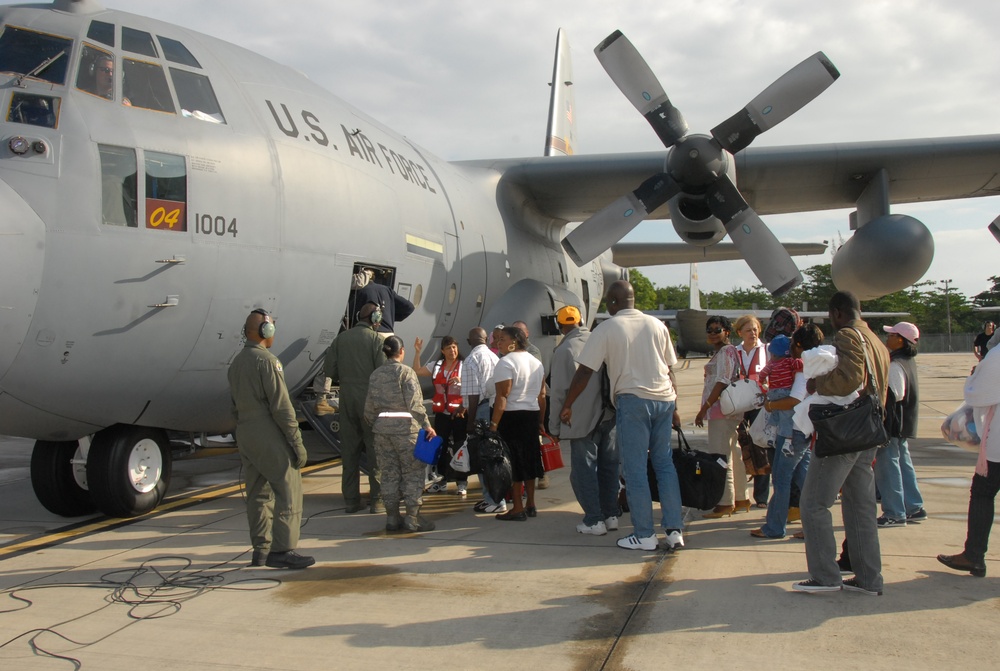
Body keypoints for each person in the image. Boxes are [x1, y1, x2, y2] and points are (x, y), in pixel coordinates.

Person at [560, 280, 685, 552]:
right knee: (664, 465)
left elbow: (585, 371)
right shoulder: (657, 325)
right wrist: (675, 408)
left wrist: (568, 403)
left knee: (635, 469)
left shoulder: (607, 328)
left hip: (633, 400)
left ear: (612, 302)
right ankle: (674, 531)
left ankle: (644, 535)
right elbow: (669, 368)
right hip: (664, 399)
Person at [793, 291, 890, 597]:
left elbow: (849, 379)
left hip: (844, 433)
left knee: (813, 504)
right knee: (860, 507)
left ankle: (825, 576)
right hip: (868, 432)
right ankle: (868, 579)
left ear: (837, 312)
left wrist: (816, 383)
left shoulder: (848, 335)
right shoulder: (875, 340)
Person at [227, 309, 315, 569]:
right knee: (288, 490)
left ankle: (261, 550)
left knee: (257, 494)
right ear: (266, 331)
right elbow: (282, 407)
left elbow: (233, 405)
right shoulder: (268, 361)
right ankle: (283, 549)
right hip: (267, 432)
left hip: (246, 432)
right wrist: (297, 442)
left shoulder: (236, 363)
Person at [548, 305, 620, 535]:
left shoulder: (564, 350)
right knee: (608, 468)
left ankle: (593, 520)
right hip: (608, 415)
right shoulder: (601, 340)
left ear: (560, 325)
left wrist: (554, 427)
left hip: (579, 419)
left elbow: (559, 392)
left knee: (583, 471)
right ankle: (610, 515)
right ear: (580, 321)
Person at [751, 324, 823, 539]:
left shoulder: (802, 370)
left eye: (792, 343)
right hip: (803, 430)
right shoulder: (814, 364)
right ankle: (814, 525)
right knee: (805, 479)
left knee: (782, 479)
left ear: (799, 345)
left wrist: (771, 406)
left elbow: (794, 399)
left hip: (792, 432)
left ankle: (774, 527)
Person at [937, 345, 1000, 578]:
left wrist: (974, 375)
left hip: (998, 447)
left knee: (983, 492)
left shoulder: (998, 355)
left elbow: (977, 393)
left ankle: (974, 555)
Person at [364, 336, 437, 532]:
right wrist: (427, 426)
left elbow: (369, 409)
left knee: (388, 474)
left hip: (382, 432)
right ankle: (412, 518)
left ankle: (392, 518)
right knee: (412, 473)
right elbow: (415, 404)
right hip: (406, 432)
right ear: (402, 351)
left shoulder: (375, 375)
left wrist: (379, 424)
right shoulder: (406, 373)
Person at [324, 301, 386, 514]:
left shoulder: (341, 339)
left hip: (347, 398)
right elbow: (382, 371)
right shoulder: (376, 340)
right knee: (375, 451)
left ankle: (351, 500)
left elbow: (329, 370)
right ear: (375, 318)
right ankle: (377, 501)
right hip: (370, 400)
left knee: (349, 452)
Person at [489, 326, 546, 521]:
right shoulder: (536, 362)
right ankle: (531, 503)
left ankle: (517, 508)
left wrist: (494, 425)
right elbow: (542, 395)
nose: (499, 342)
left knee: (513, 463)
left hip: (512, 417)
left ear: (514, 341)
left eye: (502, 339)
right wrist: (540, 420)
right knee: (530, 460)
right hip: (531, 414)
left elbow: (502, 397)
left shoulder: (505, 363)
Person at [874, 322, 926, 527]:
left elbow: (895, 394)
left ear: (901, 340)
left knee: (888, 466)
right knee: (904, 463)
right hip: (904, 423)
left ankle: (894, 512)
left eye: (892, 334)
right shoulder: (908, 361)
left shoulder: (896, 364)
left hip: (894, 424)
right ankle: (914, 507)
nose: (888, 337)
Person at [695, 316, 748, 518]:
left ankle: (725, 502)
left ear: (727, 331)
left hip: (720, 411)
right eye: (709, 330)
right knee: (733, 454)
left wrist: (704, 408)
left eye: (717, 330)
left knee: (720, 457)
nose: (712, 333)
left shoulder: (726, 351)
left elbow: (723, 380)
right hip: (728, 412)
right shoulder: (727, 351)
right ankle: (741, 498)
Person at [412, 335, 468, 496]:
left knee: (460, 446)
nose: (453, 350)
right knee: (440, 447)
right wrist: (417, 352)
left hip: (459, 413)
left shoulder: (464, 366)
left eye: (454, 347)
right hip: (442, 414)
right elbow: (417, 371)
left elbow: (474, 385)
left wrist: (461, 381)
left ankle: (461, 482)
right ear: (443, 351)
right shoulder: (436, 366)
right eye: (449, 348)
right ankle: (442, 480)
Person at [460, 327, 505, 514]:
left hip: (481, 410)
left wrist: (470, 423)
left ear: (469, 341)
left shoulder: (471, 360)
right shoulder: (495, 358)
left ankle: (493, 499)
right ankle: (498, 497)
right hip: (495, 409)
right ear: (487, 340)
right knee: (495, 456)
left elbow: (473, 395)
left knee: (483, 457)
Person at [734, 314, 770, 508]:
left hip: (759, 404)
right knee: (739, 446)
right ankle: (740, 494)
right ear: (739, 332)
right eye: (748, 330)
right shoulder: (734, 351)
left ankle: (762, 497)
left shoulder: (766, 350)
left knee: (760, 447)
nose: (753, 333)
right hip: (739, 404)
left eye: (755, 329)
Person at [348, 268, 414, 335]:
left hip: (371, 334)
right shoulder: (387, 290)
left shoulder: (361, 292)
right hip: (389, 336)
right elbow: (409, 307)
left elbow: (349, 314)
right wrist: (390, 317)